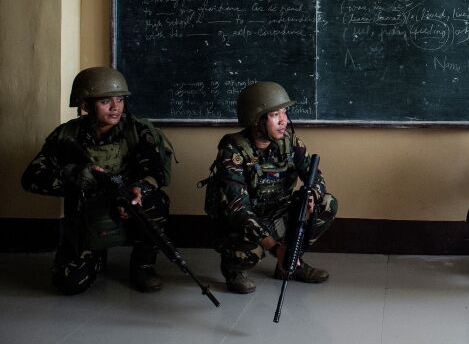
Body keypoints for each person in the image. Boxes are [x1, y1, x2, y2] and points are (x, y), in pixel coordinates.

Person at [21, 67, 171, 295]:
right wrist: (73, 176)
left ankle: (143, 264)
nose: (115, 107)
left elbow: (156, 171)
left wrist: (138, 190)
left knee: (156, 202)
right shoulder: (66, 136)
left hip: (128, 206)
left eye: (120, 99)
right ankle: (95, 255)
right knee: (68, 284)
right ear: (85, 105)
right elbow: (31, 177)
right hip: (87, 216)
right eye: (105, 101)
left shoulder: (137, 131)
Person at [203, 81, 338, 294]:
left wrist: (313, 193)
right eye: (275, 114)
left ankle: (291, 264)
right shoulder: (233, 150)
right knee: (248, 247)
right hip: (243, 224)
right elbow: (238, 209)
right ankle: (233, 268)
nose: (283, 120)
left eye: (284, 112)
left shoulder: (290, 143)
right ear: (256, 119)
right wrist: (275, 248)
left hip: (275, 213)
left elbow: (317, 178)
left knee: (326, 203)